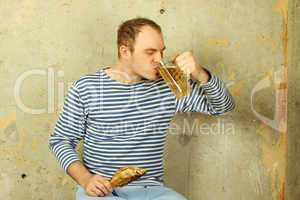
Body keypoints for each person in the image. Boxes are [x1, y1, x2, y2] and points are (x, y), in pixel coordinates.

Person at [49, 17, 235, 200]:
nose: (159, 59)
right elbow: (61, 140)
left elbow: (223, 107)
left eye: (161, 51)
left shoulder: (169, 85)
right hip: (102, 191)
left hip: (151, 191)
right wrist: (86, 179)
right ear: (125, 51)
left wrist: (200, 73)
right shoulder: (87, 88)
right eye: (150, 52)